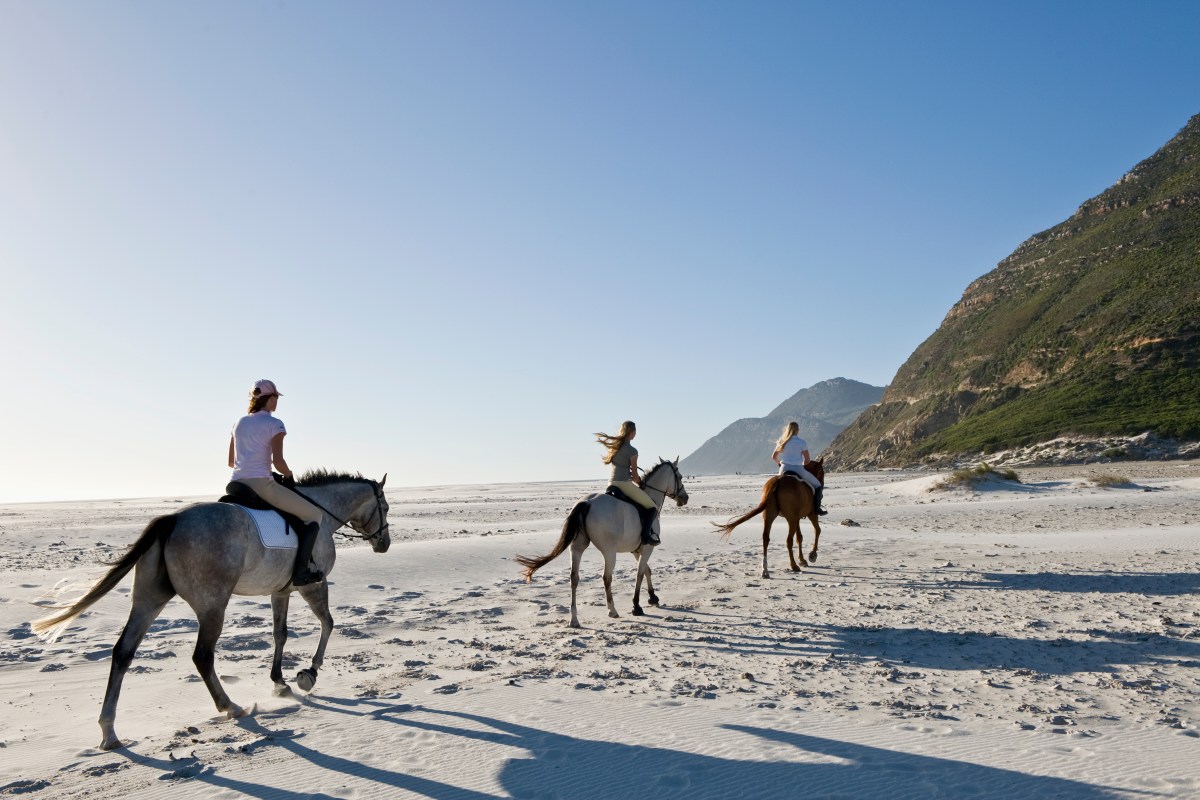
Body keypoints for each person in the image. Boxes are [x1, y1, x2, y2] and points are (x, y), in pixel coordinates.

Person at [228, 379, 325, 586]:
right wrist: (288, 475)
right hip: (261, 485)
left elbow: (231, 462)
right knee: (314, 515)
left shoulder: (238, 423)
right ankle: (301, 572)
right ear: (269, 398)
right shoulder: (275, 424)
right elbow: (278, 462)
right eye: (276, 398)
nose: (277, 402)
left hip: (236, 483)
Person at [595, 420, 659, 545]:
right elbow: (635, 476)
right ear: (632, 432)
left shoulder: (614, 447)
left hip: (611, 483)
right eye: (635, 432)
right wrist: (640, 483)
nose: (635, 434)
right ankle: (645, 536)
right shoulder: (632, 450)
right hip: (624, 484)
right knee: (652, 507)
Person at [771, 421, 827, 515]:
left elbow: (774, 457)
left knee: (773, 487)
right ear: (798, 430)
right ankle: (817, 509)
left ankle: (772, 506)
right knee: (817, 486)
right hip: (798, 469)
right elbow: (807, 460)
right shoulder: (802, 442)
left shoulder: (782, 441)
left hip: (784, 468)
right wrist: (803, 465)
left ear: (787, 429)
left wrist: (780, 464)